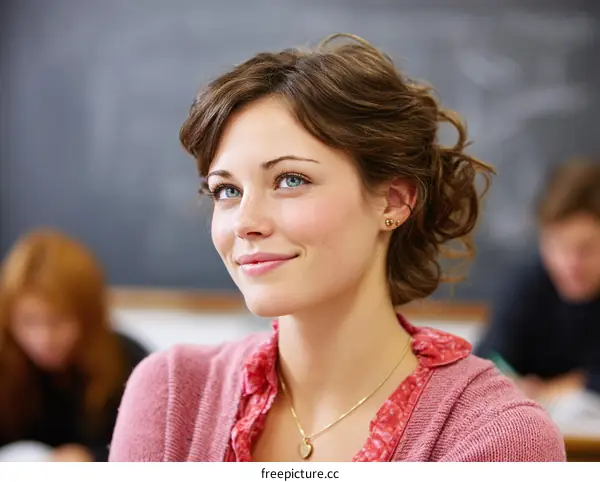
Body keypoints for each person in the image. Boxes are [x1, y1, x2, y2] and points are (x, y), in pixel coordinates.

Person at [109, 33, 566, 462]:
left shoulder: (498, 438)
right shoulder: (170, 394)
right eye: (227, 191)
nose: (245, 223)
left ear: (393, 200)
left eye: (291, 180)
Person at [0, 228, 149, 462]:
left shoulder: (129, 361)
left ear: (87, 316)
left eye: (59, 320)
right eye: (28, 321)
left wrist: (91, 457)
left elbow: (151, 447)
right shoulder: (4, 358)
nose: (43, 338)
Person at [475, 159, 600, 413]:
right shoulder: (526, 286)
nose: (570, 264)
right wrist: (510, 382)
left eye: (586, 249)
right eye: (558, 246)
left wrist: (557, 388)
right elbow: (487, 360)